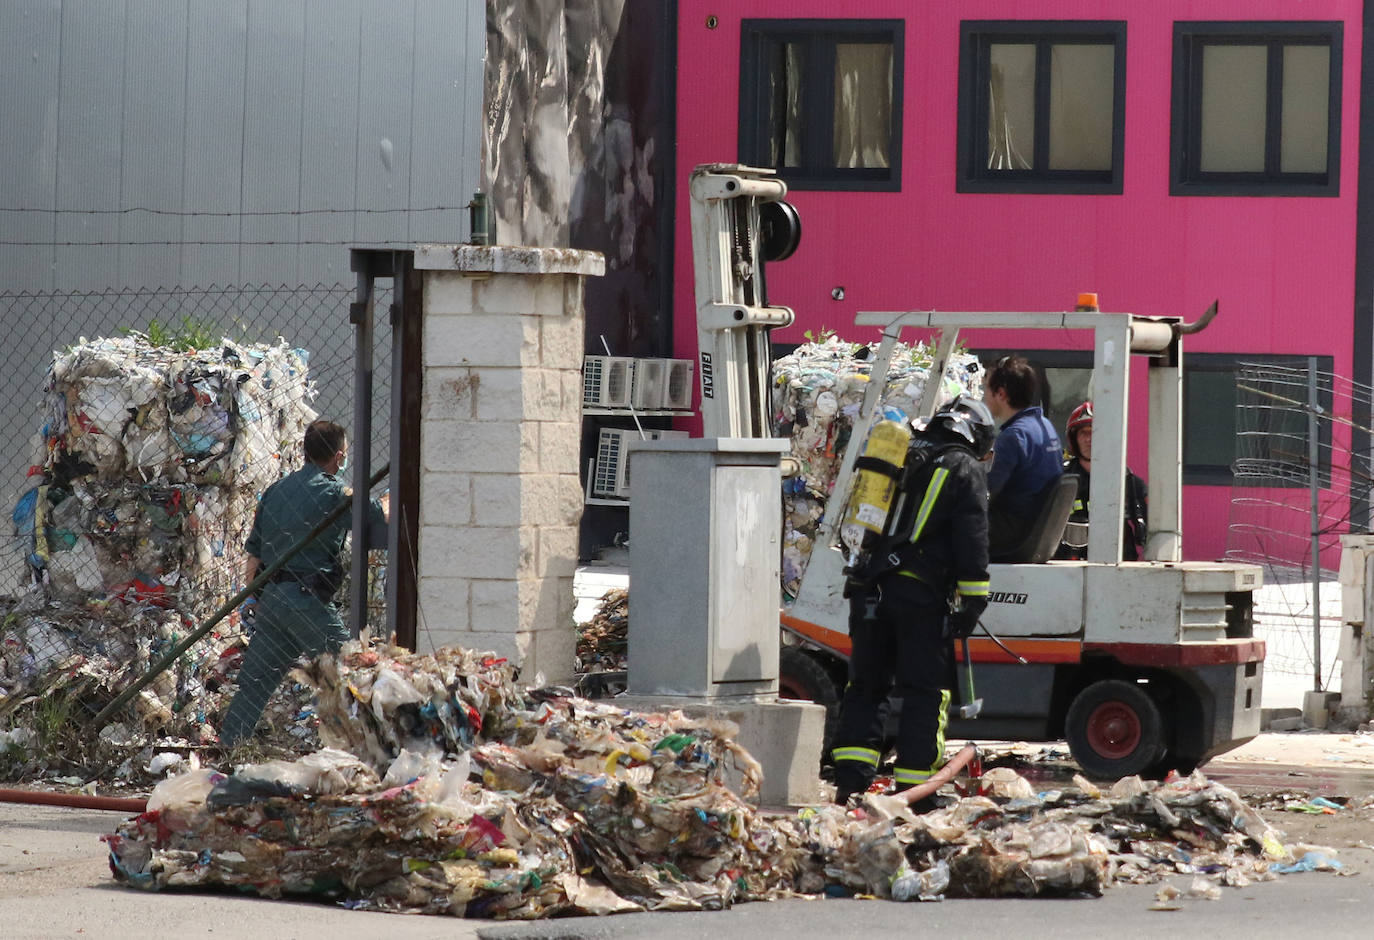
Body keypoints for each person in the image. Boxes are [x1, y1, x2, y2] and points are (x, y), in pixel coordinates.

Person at [830, 396, 994, 808]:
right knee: (925, 692)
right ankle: (915, 795)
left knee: (866, 686)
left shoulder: (900, 451)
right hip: (918, 597)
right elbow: (972, 539)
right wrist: (973, 601)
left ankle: (850, 786)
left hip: (868, 588)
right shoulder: (963, 466)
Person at [220, 420, 389, 747]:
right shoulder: (334, 492)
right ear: (339, 457)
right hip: (308, 602)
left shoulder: (275, 491)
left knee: (254, 684)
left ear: (305, 452)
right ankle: (376, 746)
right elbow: (377, 517)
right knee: (352, 671)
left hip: (271, 602)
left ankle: (229, 748)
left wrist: (253, 601)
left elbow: (253, 558)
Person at [982, 355, 1062, 561]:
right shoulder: (1044, 426)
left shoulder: (1012, 436)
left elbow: (986, 494)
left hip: (1011, 530)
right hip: (1034, 527)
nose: (983, 397)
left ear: (1000, 394)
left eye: (985, 390)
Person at [1057, 401, 1148, 561]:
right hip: (1068, 567)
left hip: (1116, 566)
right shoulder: (1061, 479)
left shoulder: (1126, 480)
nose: (1089, 439)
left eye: (1094, 432)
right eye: (1083, 433)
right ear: (1074, 438)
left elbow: (1151, 529)